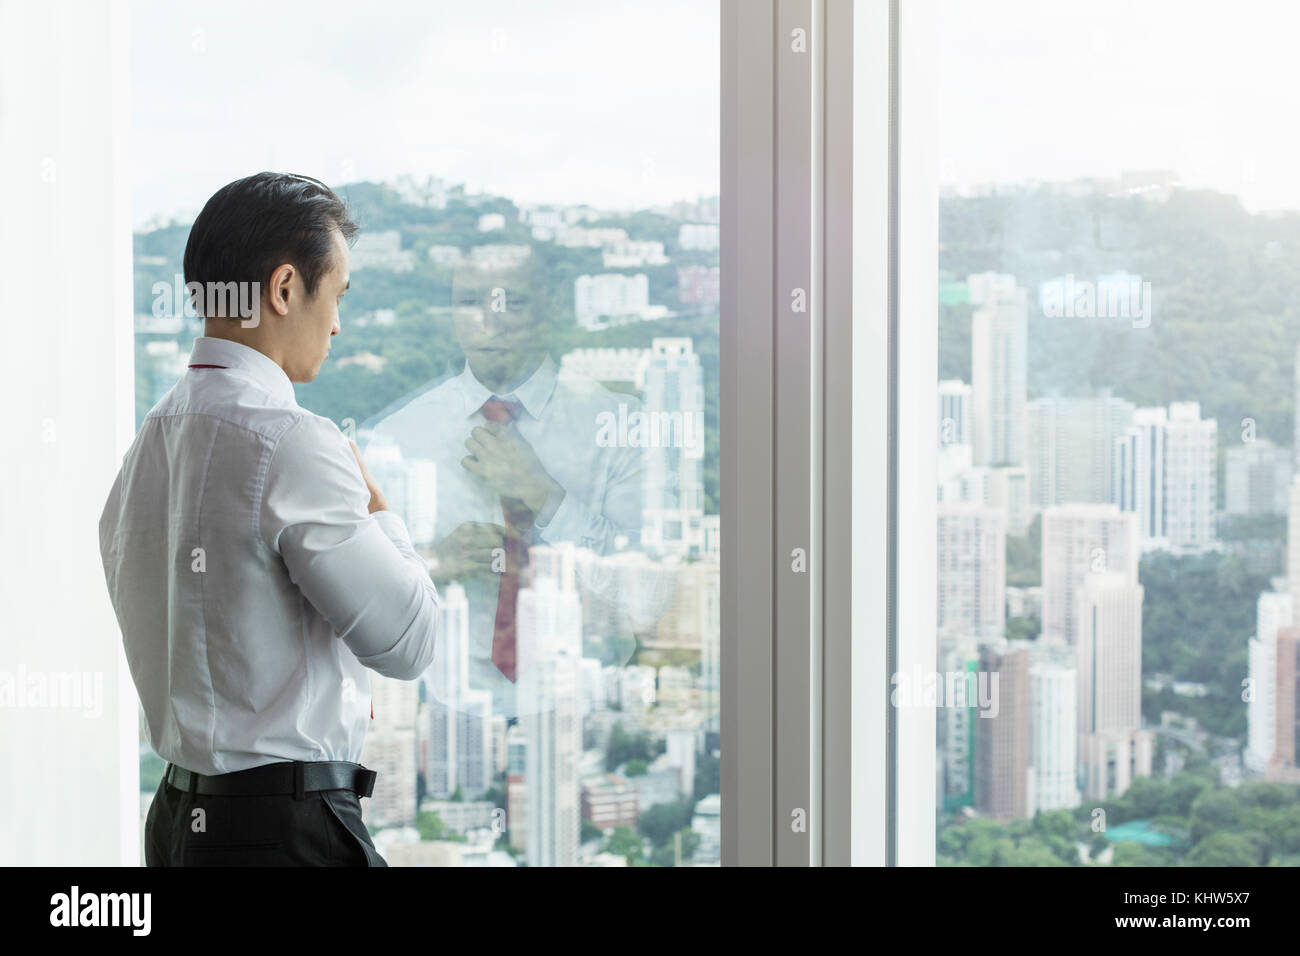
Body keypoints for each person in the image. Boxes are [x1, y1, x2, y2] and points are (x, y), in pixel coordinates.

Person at [98, 172, 439, 866]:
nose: (338, 323)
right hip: (286, 835)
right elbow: (410, 641)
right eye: (337, 295)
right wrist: (381, 514)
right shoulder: (292, 443)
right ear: (286, 289)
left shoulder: (146, 448)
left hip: (175, 824)